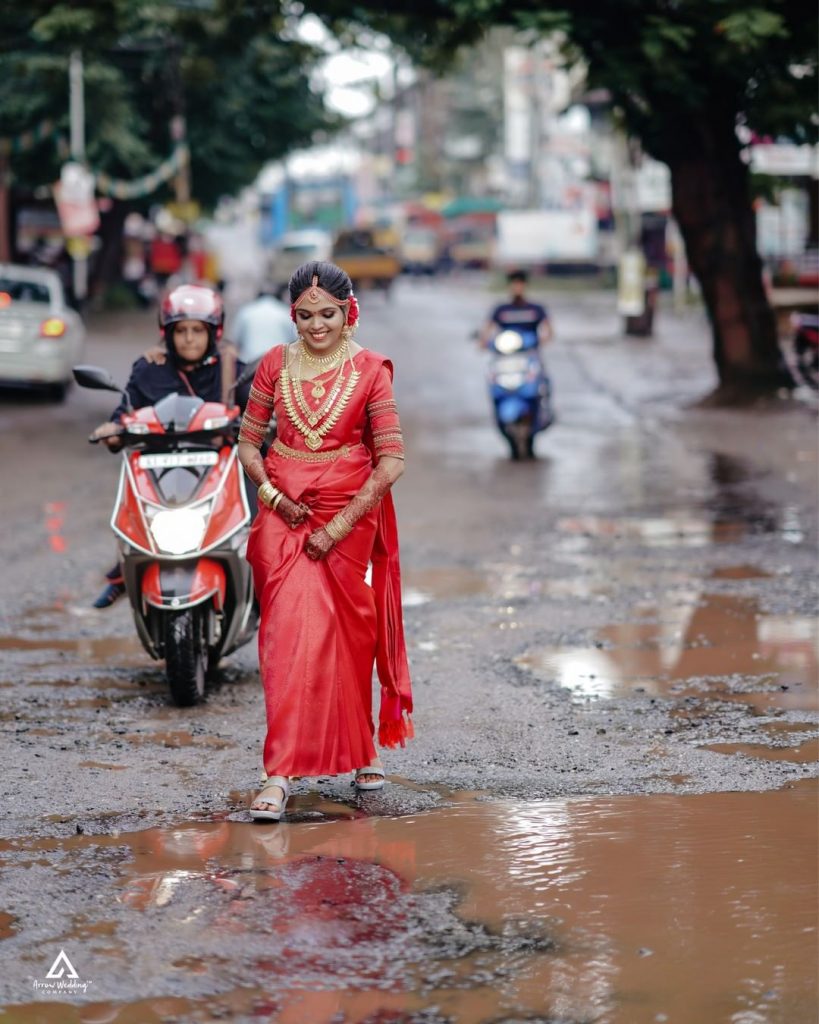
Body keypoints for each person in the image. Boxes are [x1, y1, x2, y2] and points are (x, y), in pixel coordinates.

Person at [237, 260, 413, 821]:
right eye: (306, 315)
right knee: (284, 639)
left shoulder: (369, 371)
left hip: (347, 518)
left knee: (348, 636)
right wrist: (273, 497)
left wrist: (337, 526)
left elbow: (391, 462)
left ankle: (362, 748)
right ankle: (279, 772)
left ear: (348, 311)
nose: (317, 326)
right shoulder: (273, 363)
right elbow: (247, 446)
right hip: (283, 518)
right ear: (293, 314)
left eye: (328, 314)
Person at [91, 284, 244, 607]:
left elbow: (259, 409)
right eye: (181, 330)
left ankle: (260, 584)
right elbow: (125, 410)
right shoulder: (149, 369)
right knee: (132, 512)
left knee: (258, 518)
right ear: (167, 333)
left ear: (214, 333)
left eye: (198, 330)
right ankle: (125, 568)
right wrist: (113, 430)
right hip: (158, 466)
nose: (189, 338)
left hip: (218, 467)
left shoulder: (232, 370)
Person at [480, 269, 553, 347]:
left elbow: (548, 329)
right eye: (514, 283)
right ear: (509, 286)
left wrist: (543, 340)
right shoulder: (501, 309)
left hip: (529, 351)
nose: (517, 287)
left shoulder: (536, 309)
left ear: (525, 285)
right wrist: (483, 341)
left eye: (520, 283)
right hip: (506, 348)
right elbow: (488, 328)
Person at [232, 286, 294, 365]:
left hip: (249, 362)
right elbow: (295, 340)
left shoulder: (246, 310)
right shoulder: (285, 312)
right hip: (277, 364)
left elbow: (236, 341)